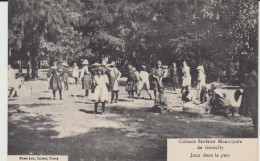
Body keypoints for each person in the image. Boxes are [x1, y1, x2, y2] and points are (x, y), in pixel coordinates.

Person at [238, 61, 258, 134]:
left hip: (252, 95)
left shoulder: (252, 74)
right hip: (254, 95)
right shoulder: (255, 73)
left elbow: (252, 86)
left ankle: (256, 126)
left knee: (254, 110)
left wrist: (243, 85)